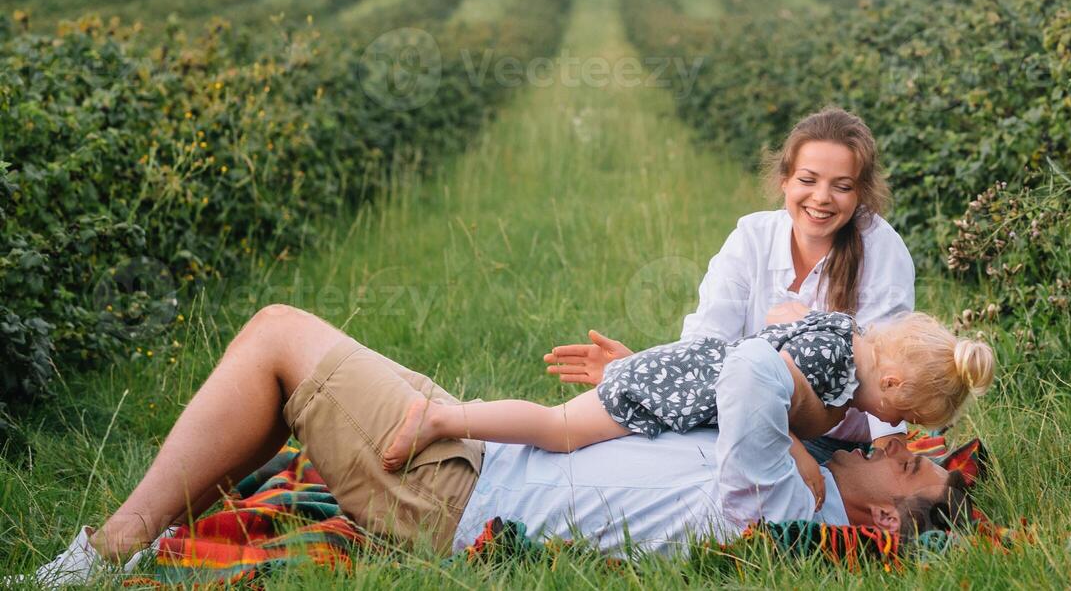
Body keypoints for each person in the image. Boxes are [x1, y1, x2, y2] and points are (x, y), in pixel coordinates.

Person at [5, 304, 969, 588]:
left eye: (912, 459)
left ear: (883, 514)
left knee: (277, 336)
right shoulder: (784, 472)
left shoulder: (790, 497)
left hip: (464, 496)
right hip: (486, 466)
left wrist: (823, 358)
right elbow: (719, 397)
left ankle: (110, 549)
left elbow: (755, 375)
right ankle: (170, 506)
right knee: (307, 370)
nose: (897, 441)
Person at [547, 107, 919, 457]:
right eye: (808, 180)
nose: (821, 198)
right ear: (784, 180)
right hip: (751, 422)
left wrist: (890, 456)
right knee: (632, 442)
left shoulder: (880, 248)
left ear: (860, 193)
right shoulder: (751, 237)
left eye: (842, 186)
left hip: (842, 444)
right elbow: (707, 339)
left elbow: (888, 365)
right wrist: (649, 374)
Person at [379, 310, 995, 510]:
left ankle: (449, 417)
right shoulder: (836, 367)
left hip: (690, 374)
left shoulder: (844, 338)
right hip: (680, 386)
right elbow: (764, 376)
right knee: (558, 428)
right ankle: (444, 419)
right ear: (889, 380)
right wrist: (796, 452)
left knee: (560, 426)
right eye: (904, 414)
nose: (898, 428)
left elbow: (780, 325)